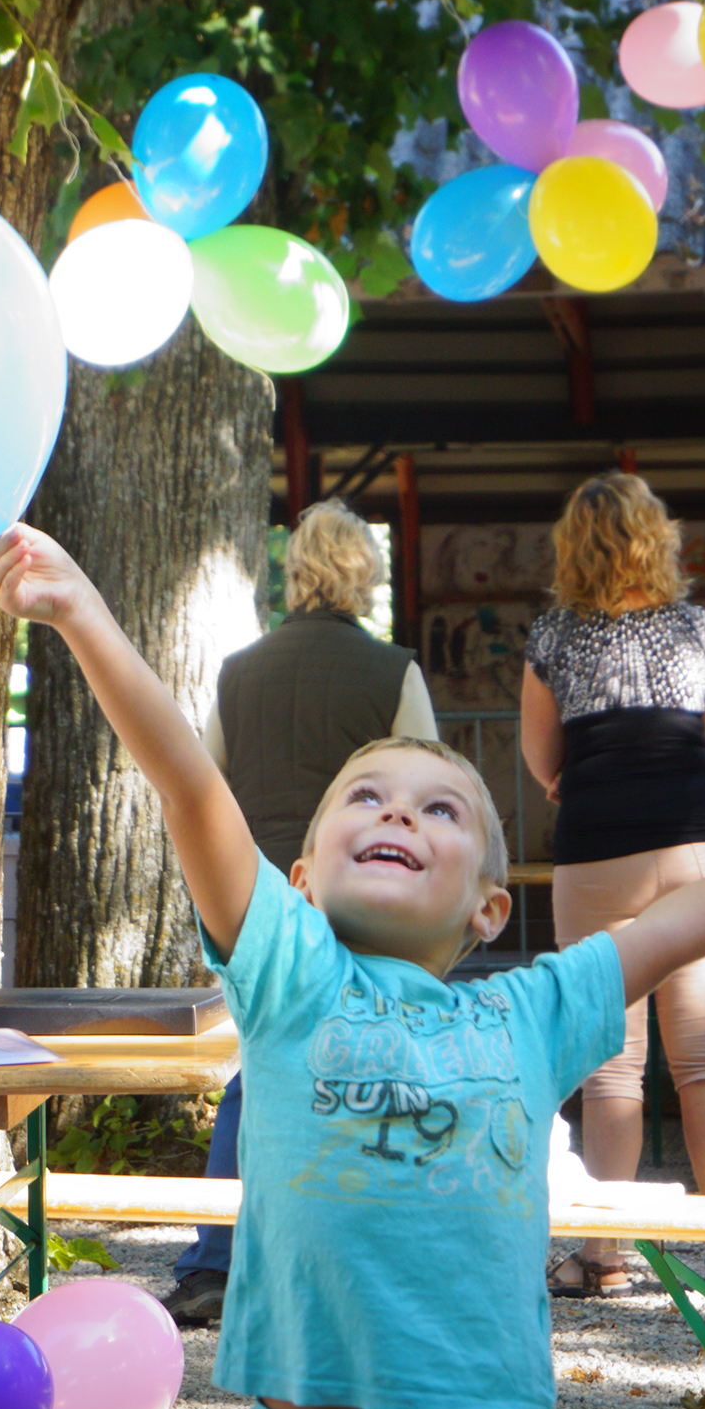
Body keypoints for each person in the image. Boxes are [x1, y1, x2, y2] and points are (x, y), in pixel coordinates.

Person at [0, 521, 705, 1409]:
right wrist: (79, 610)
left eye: (439, 808)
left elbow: (671, 928)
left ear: (489, 908)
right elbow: (187, 779)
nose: (398, 814)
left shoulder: (529, 1010)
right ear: (301, 876)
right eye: (363, 798)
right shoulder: (286, 974)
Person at [167, 498, 437, 1325]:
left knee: (263, 1065)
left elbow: (205, 779)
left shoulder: (241, 670)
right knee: (366, 1063)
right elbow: (425, 784)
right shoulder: (393, 671)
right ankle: (351, 1258)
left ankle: (218, 1256)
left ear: (297, 571)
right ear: (364, 570)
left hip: (257, 894)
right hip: (355, 889)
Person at [519, 472, 705, 1300]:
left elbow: (542, 759)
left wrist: (575, 777)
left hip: (599, 846)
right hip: (700, 843)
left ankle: (604, 1255)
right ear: (659, 536)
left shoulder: (553, 637)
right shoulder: (700, 628)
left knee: (611, 1066)